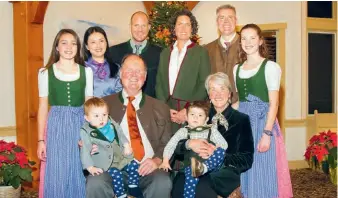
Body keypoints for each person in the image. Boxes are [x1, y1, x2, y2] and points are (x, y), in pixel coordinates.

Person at [85, 54, 173, 198]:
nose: (134, 75)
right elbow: (89, 134)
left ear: (144, 77)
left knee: (162, 181)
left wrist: (156, 160)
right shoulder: (103, 104)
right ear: (120, 74)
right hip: (111, 168)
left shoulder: (160, 107)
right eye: (129, 70)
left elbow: (167, 143)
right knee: (95, 181)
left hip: (147, 169)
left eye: (138, 71)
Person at [233, 23, 293, 198]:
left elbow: (274, 104)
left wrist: (267, 133)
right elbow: (240, 103)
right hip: (244, 125)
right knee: (247, 172)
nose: (248, 42)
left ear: (260, 41)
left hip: (262, 124)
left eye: (252, 38)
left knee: (263, 172)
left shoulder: (270, 67)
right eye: (244, 38)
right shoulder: (237, 68)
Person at [172, 72, 254, 198]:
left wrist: (218, 156)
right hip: (192, 168)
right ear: (209, 95)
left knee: (201, 189)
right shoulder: (198, 114)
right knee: (178, 188)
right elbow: (176, 147)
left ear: (229, 94)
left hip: (222, 174)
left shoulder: (241, 120)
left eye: (222, 89)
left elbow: (246, 160)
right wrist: (189, 144)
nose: (218, 94)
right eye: (213, 90)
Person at [37, 29, 93, 198]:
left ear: (78, 48)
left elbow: (90, 107)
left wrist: (91, 136)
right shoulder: (45, 72)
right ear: (57, 47)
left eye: (73, 43)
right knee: (57, 171)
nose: (69, 47)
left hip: (79, 123)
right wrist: (41, 140)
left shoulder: (87, 72)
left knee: (77, 168)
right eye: (64, 42)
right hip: (56, 125)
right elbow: (42, 107)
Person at [156, 9, 211, 132]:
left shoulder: (201, 52)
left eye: (187, 24)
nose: (183, 28)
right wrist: (164, 108)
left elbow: (204, 83)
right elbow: (159, 82)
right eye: (180, 24)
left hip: (191, 110)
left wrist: (188, 110)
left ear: (192, 29)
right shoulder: (165, 53)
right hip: (168, 108)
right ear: (173, 28)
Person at [160, 101, 227, 198]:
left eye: (200, 115)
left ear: (206, 119)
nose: (196, 117)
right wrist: (165, 160)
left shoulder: (211, 130)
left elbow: (224, 145)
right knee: (190, 179)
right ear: (186, 117)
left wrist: (213, 148)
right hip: (192, 166)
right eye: (192, 114)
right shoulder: (183, 131)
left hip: (211, 166)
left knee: (221, 151)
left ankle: (204, 167)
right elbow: (171, 145)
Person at [109, 11, 162, 98]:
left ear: (149, 27)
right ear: (130, 26)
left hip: (149, 107)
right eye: (136, 25)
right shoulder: (114, 52)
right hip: (120, 105)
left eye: (143, 26)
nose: (140, 30)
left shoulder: (160, 54)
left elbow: (163, 85)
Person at [205, 4, 241, 103]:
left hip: (242, 107)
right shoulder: (207, 49)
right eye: (222, 18)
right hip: (216, 107)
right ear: (217, 22)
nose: (226, 21)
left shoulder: (247, 46)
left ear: (236, 21)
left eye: (230, 17)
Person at [82, 26, 122, 98]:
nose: (98, 45)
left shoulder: (116, 68)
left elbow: (120, 94)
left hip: (112, 107)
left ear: (106, 43)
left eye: (101, 41)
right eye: (93, 42)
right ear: (87, 46)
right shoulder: (81, 68)